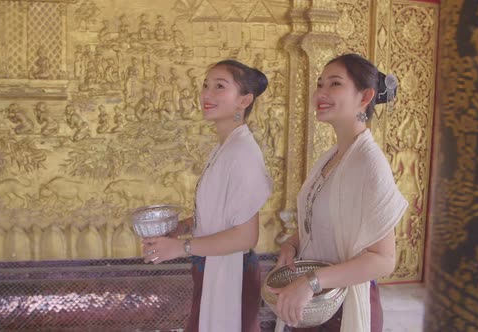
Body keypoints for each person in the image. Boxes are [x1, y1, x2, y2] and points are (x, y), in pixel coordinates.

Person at [269, 53, 408, 332]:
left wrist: (312, 281)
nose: (321, 92)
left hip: (340, 308)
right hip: (315, 302)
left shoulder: (369, 163)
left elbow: (383, 260)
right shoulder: (331, 157)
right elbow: (319, 224)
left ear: (365, 96)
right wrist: (292, 245)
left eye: (334, 84)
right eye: (320, 84)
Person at [142, 59, 272, 332]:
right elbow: (218, 214)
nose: (207, 94)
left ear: (244, 100)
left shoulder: (241, 153)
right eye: (205, 86)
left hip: (231, 272)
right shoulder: (225, 148)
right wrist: (181, 228)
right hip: (212, 266)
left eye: (219, 86)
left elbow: (246, 236)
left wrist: (181, 247)